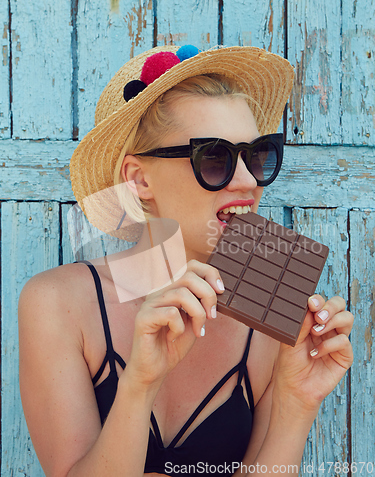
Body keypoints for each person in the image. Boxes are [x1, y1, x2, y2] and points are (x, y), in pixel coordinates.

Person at [18, 45, 354, 477]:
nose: (249, 181)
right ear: (139, 180)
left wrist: (297, 403)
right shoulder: (57, 304)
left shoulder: (274, 309)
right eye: (215, 158)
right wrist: (140, 382)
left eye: (257, 155)